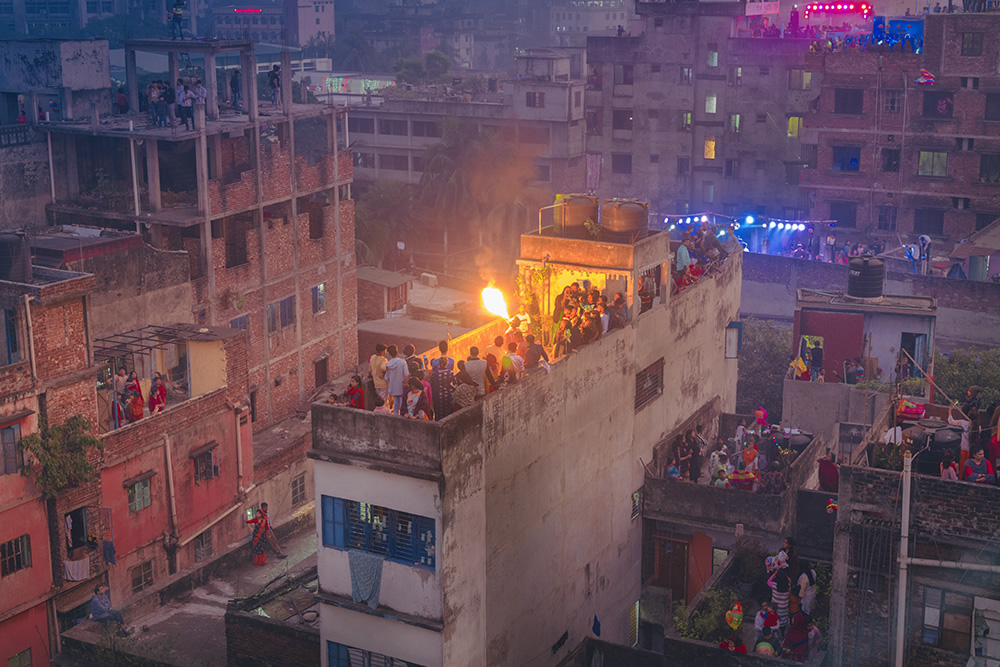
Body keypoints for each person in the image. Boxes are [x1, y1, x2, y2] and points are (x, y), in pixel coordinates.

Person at [430, 349, 455, 419]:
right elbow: (455, 384)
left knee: (438, 414)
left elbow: (432, 385)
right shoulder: (450, 373)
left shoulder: (435, 374)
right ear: (447, 363)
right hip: (447, 396)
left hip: (437, 396)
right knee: (447, 415)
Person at [383, 344, 408, 416]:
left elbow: (386, 378)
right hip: (401, 387)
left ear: (390, 354)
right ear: (397, 352)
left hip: (393, 387)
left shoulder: (388, 364)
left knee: (395, 406)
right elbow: (406, 374)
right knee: (402, 406)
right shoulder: (402, 362)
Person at [949, 405, 973, 472]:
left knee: (962, 468)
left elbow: (951, 421)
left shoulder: (963, 423)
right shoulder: (977, 424)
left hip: (963, 448)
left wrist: (949, 411)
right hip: (972, 449)